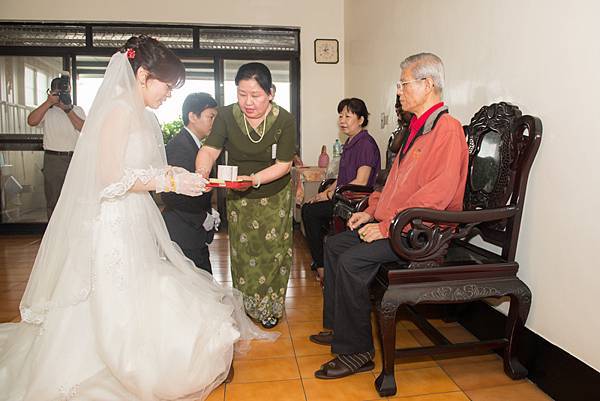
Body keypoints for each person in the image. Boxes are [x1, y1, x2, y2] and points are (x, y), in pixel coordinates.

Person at [0, 35, 275, 401]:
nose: (169, 95)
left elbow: (151, 170)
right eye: (167, 85)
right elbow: (110, 175)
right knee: (111, 298)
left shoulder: (145, 117)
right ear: (144, 74)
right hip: (112, 220)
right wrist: (170, 179)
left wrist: (183, 179)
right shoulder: (116, 111)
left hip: (136, 216)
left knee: (146, 285)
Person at [309, 53, 469, 379]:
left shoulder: (447, 130)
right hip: (401, 224)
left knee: (352, 260)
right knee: (335, 244)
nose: (399, 90)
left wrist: (385, 226)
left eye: (403, 83)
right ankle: (342, 327)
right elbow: (391, 183)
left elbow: (436, 196)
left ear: (427, 84)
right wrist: (369, 212)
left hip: (424, 233)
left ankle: (357, 353)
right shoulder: (416, 129)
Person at [195, 62, 296, 329]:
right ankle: (246, 305)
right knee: (244, 253)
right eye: (242, 94)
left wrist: (255, 179)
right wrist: (201, 171)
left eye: (255, 95)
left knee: (273, 252)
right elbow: (209, 150)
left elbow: (285, 164)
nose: (248, 102)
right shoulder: (227, 116)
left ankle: (270, 306)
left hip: (274, 195)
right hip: (240, 197)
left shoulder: (284, 120)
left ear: (271, 93)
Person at [301, 98, 380, 282]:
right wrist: (324, 193)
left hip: (356, 201)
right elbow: (342, 178)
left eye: (348, 116)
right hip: (342, 197)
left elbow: (361, 182)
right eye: (340, 115)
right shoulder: (350, 142)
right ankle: (322, 261)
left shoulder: (365, 144)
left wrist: (331, 194)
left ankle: (322, 266)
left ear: (360, 120)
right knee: (310, 206)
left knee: (310, 213)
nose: (342, 120)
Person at [162, 92, 219, 274]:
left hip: (192, 230)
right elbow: (171, 195)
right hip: (183, 230)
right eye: (211, 116)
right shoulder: (179, 147)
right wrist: (203, 217)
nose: (214, 122)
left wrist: (210, 212)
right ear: (192, 116)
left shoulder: (194, 145)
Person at [27, 75, 86, 219]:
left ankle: (73, 234)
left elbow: (84, 128)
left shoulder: (77, 109)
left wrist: (67, 110)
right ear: (51, 92)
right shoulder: (47, 110)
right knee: (53, 199)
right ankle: (53, 237)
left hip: (74, 159)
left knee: (75, 199)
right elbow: (31, 121)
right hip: (53, 160)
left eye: (64, 91)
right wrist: (49, 102)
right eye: (57, 92)